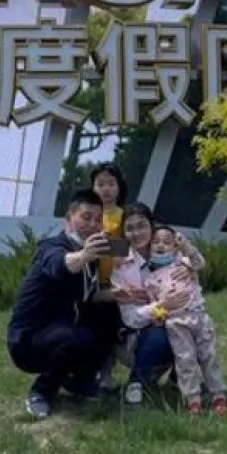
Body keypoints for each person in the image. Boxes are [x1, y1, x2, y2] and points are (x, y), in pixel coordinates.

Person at [5, 189, 120, 419]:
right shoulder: (51, 246)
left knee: (109, 314)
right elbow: (61, 264)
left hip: (62, 328)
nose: (92, 224)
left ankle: (79, 381)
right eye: (85, 217)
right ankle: (41, 392)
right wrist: (85, 255)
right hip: (28, 341)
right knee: (71, 336)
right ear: (68, 218)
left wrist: (123, 294)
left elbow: (129, 248)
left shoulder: (92, 254)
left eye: (98, 220)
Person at [110, 203, 202, 407]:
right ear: (124, 233)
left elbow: (195, 280)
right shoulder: (121, 267)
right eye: (130, 228)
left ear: (152, 226)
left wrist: (191, 270)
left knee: (197, 324)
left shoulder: (173, 255)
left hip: (179, 319)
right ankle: (137, 380)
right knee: (162, 332)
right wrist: (162, 306)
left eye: (142, 226)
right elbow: (131, 318)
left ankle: (179, 379)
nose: (136, 233)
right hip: (140, 335)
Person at [142, 225, 227, 415]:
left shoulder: (184, 263)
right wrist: (159, 315)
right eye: (156, 242)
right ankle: (192, 399)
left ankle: (218, 394)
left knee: (209, 355)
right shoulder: (150, 277)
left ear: (175, 246)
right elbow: (154, 304)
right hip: (175, 322)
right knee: (185, 359)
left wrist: (186, 246)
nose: (161, 246)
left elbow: (200, 263)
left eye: (167, 242)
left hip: (198, 316)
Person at [89, 163, 129, 390]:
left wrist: (105, 245)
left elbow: (129, 247)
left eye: (111, 183)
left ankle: (106, 375)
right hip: (92, 283)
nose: (106, 189)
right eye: (100, 184)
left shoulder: (124, 216)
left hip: (116, 283)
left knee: (112, 330)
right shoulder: (89, 216)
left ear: (119, 187)